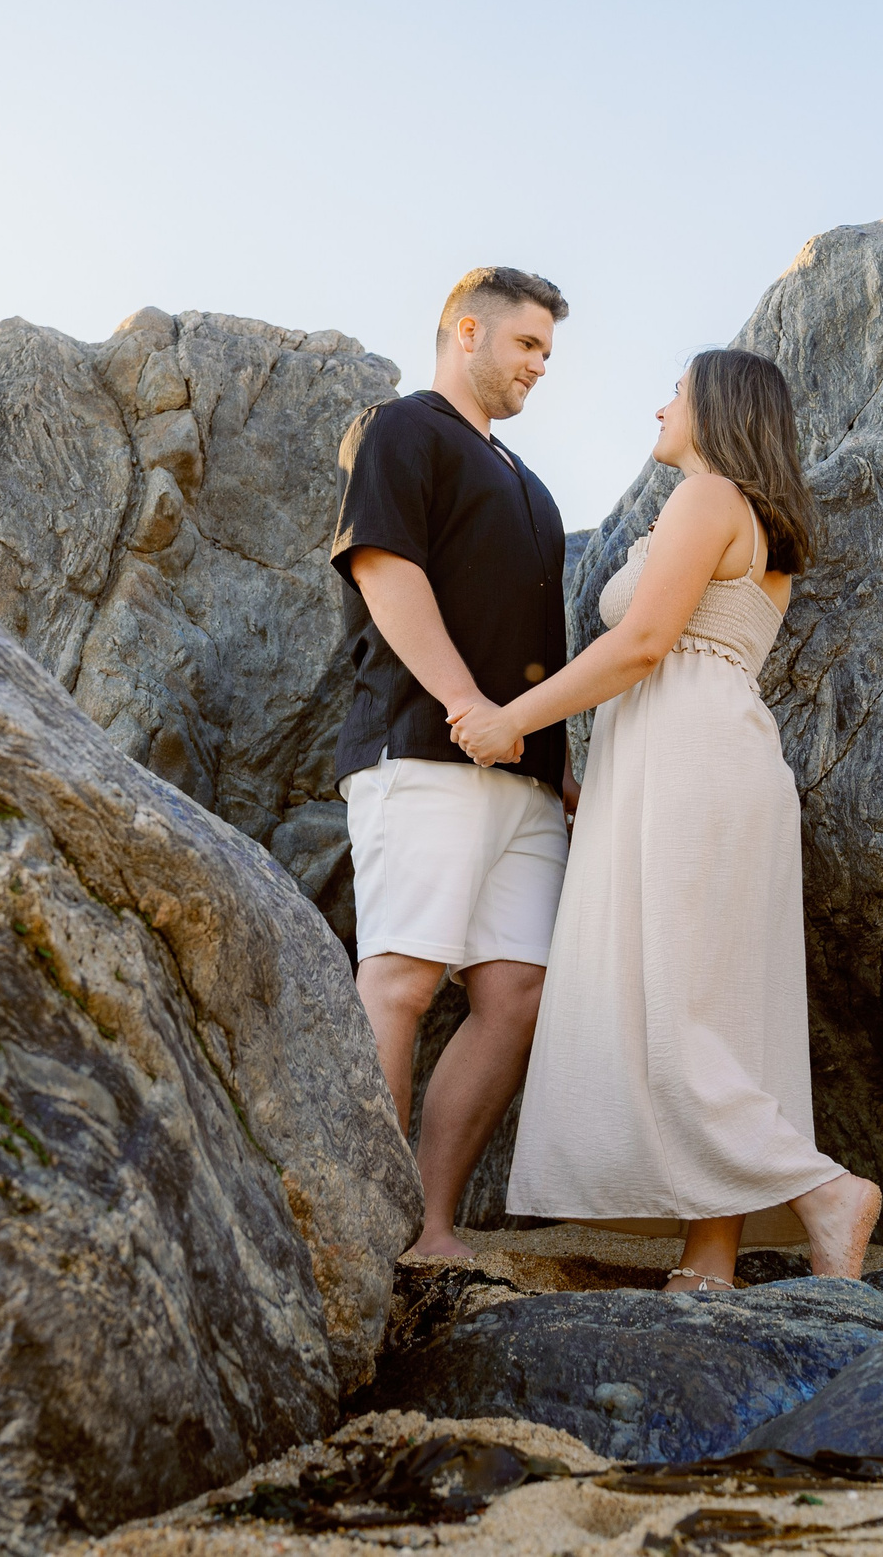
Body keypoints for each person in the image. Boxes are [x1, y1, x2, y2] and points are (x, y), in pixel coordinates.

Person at [451, 346, 882, 1289]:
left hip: (689, 762)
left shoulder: (708, 496)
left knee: (673, 1004)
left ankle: (823, 1192)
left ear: (717, 408)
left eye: (676, 393)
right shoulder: (752, 518)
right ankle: (710, 1254)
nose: (660, 408)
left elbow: (644, 642)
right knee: (712, 1006)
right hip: (716, 757)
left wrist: (513, 719)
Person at [330, 266, 574, 1260]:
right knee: (400, 982)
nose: (539, 366)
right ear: (466, 332)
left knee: (514, 998)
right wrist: (465, 702)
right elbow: (384, 568)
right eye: (527, 345)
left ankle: (430, 1229)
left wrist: (555, 763)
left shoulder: (532, 485)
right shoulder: (401, 428)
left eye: (547, 352)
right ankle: (365, 1242)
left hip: (526, 783)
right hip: (424, 752)